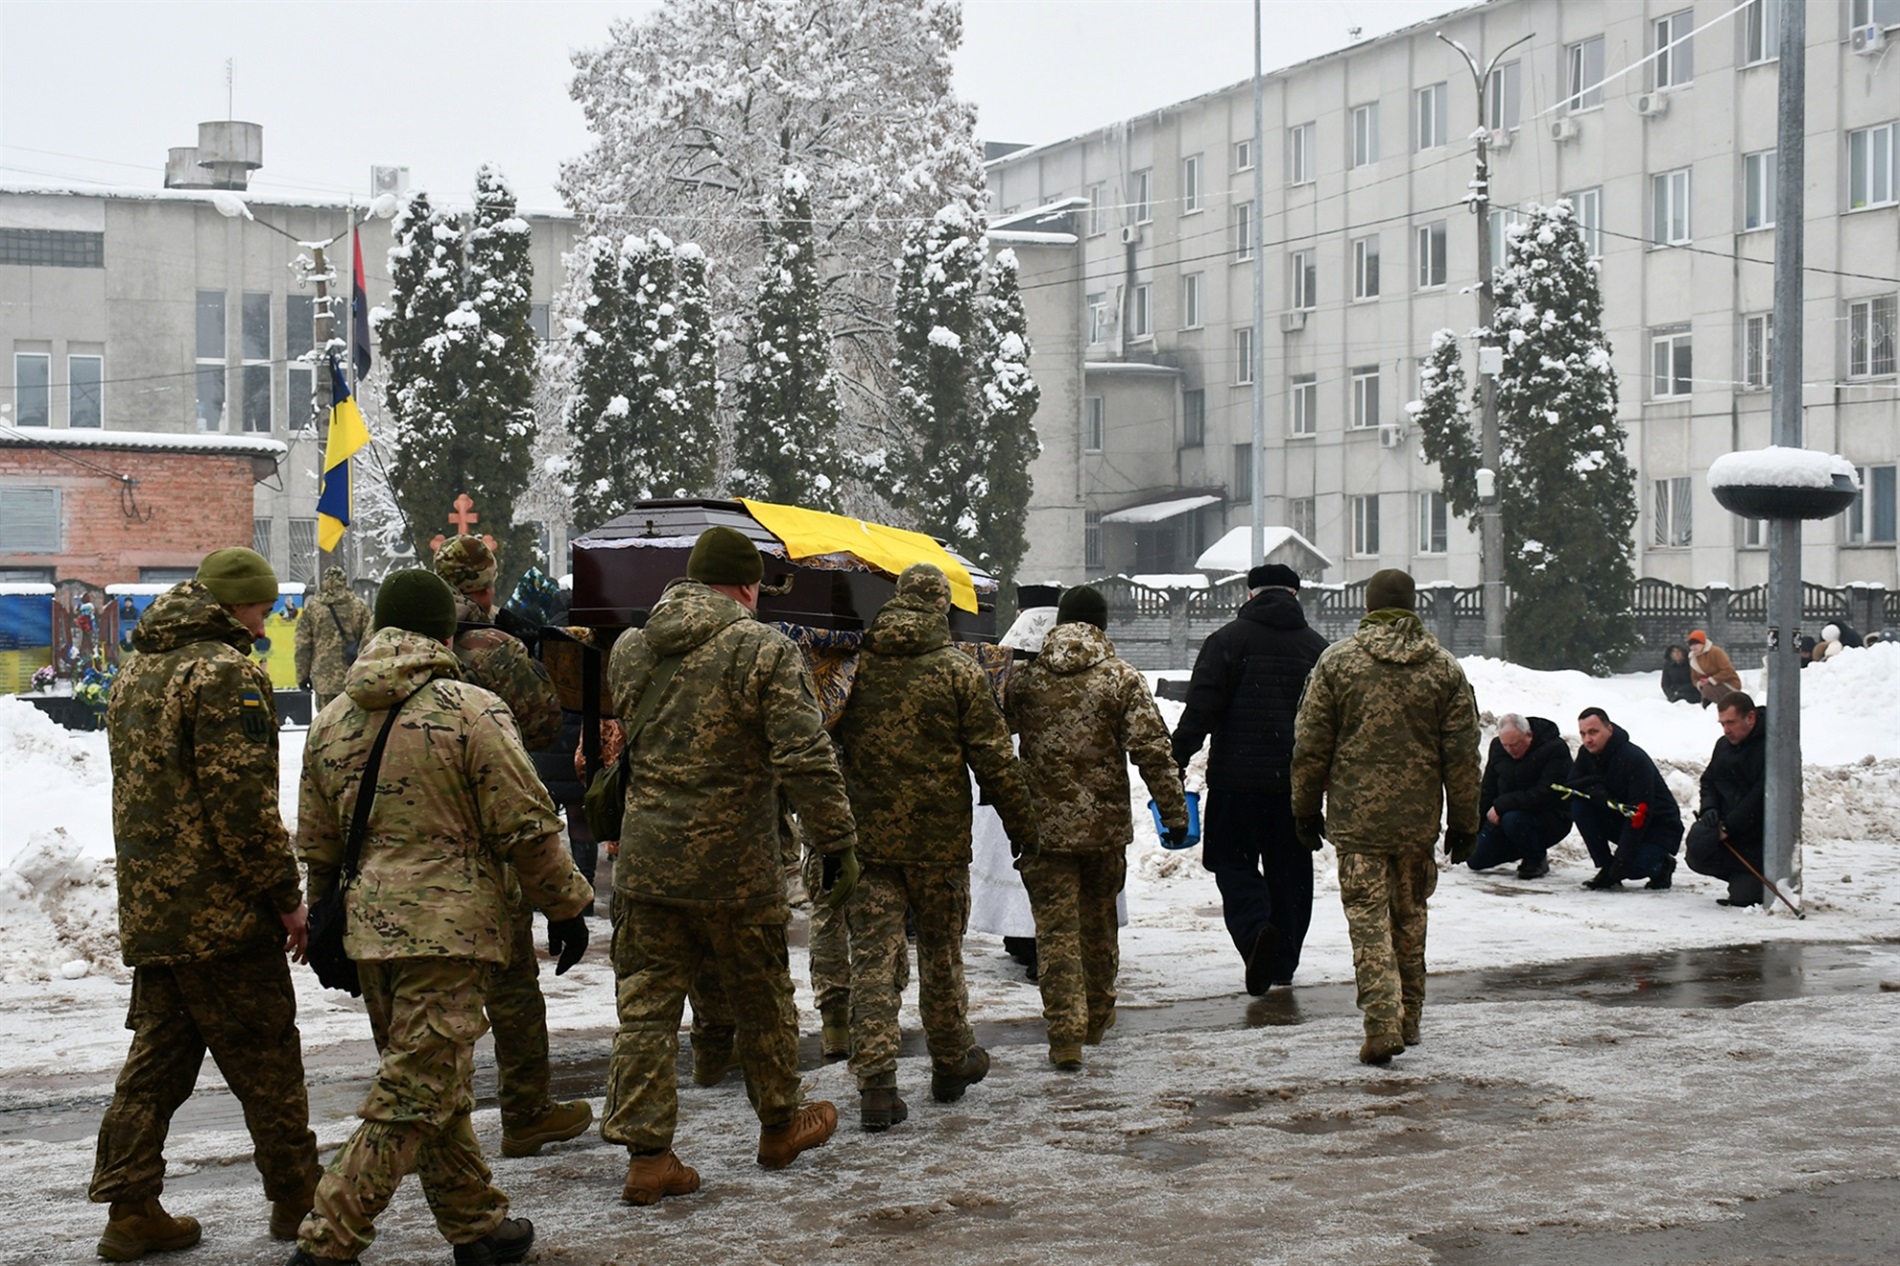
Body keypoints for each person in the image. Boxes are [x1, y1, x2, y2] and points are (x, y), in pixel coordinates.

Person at [289, 569, 595, 1266]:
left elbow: (318, 840)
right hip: (450, 936)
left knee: (429, 1083)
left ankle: (478, 1228)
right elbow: (526, 824)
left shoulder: (334, 716)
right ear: (444, 633)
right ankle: (327, 1242)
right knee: (414, 1092)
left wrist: (324, 915)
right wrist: (568, 904)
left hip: (370, 934)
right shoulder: (471, 709)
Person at [602, 526, 857, 1204]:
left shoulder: (630, 650)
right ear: (746, 587)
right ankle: (780, 1124)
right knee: (761, 995)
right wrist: (835, 843)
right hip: (736, 867)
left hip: (648, 864)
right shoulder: (763, 649)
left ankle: (649, 1158)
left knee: (647, 1006)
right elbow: (804, 758)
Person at [92, 547, 321, 1262]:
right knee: (267, 1055)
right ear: (235, 605)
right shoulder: (225, 674)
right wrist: (285, 898)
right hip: (222, 915)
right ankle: (299, 1201)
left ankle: (131, 1205)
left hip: (158, 911)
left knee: (159, 1057)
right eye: (262, 609)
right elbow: (241, 805)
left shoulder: (138, 672)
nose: (266, 624)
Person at [835, 563, 1039, 1132]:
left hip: (867, 842)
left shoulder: (856, 666)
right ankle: (951, 1062)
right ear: (942, 608)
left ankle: (876, 1082)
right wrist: (1025, 829)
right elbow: (994, 759)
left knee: (872, 958)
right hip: (938, 846)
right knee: (942, 956)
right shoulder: (958, 670)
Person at [433, 535, 588, 1160]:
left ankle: (438, 1122)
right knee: (512, 984)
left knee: (433, 997)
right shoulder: (497, 650)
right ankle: (526, 1112)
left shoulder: (394, 647)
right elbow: (548, 723)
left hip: (416, 835)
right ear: (487, 585)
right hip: (489, 833)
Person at [1290, 568, 1480, 1066]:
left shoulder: (1338, 663)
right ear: (1413, 606)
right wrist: (1466, 822)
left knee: (1368, 921)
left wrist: (1305, 810)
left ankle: (1381, 1022)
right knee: (1411, 916)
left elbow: (1310, 746)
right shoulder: (1442, 668)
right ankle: (1410, 1018)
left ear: (1369, 607)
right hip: (1417, 821)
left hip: (1357, 822)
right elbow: (1462, 756)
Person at [1005, 585, 1187, 1069]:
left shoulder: (1024, 681)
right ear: (1103, 625)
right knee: (1099, 925)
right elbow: (1153, 750)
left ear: (1059, 623)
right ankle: (1097, 1017)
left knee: (1055, 933)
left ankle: (1063, 1032)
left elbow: (991, 736)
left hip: (1043, 831)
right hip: (1103, 831)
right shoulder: (1121, 680)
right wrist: (1174, 811)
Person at [1171, 562, 1330, 994]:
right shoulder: (1318, 649)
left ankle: (1256, 929)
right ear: (1295, 596)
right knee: (1291, 873)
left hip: (1236, 782)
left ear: (1250, 595)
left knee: (1231, 863)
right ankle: (1283, 964)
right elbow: (1332, 723)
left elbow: (1201, 707)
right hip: (1293, 787)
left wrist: (1177, 755)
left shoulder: (1227, 641)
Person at [1567, 707, 1685, 891]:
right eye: (1583, 734)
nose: (1588, 739)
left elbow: (1640, 813)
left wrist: (1621, 865)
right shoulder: (1586, 753)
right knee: (1579, 805)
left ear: (1610, 729)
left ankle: (1662, 865)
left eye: (1593, 732)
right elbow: (1572, 783)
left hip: (1657, 827)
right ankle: (1605, 866)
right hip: (1621, 819)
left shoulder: (1634, 759)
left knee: (1630, 869)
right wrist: (1595, 786)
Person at [1685, 691, 1768, 908]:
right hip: (1725, 827)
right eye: (1722, 723)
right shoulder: (1723, 745)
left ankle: (1751, 881)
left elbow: (1759, 797)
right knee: (1697, 851)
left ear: (1750, 718)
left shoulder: (1769, 747)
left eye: (1731, 722)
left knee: (1745, 899)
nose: (1726, 730)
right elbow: (1709, 781)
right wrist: (1709, 809)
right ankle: (1740, 878)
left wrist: (1730, 826)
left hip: (1756, 838)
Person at [1467, 713, 1572, 880]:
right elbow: (1488, 789)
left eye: (1514, 744)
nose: (1510, 750)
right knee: (1475, 859)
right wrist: (1475, 829)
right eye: (1505, 745)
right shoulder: (1497, 748)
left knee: (1513, 819)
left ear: (1529, 735)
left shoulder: (1555, 749)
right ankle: (1524, 846)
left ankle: (1535, 859)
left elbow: (1547, 793)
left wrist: (1503, 804)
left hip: (1549, 817)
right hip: (1505, 817)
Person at [294, 565, 370, 711]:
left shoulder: (314, 609)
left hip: (323, 681)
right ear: (344, 582)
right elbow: (370, 640)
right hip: (353, 678)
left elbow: (303, 645)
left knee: (326, 725)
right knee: (351, 724)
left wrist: (302, 676)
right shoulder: (359, 607)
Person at [1685, 630, 1741, 707]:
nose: (1694, 647)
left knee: (1707, 690)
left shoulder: (1715, 652)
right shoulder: (1693, 658)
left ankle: (1724, 706)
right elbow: (1694, 678)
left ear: (1703, 643)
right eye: (1691, 645)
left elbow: (1727, 670)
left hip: (1728, 683)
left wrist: (1711, 680)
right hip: (1707, 686)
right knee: (1705, 690)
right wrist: (1700, 683)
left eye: (1696, 644)